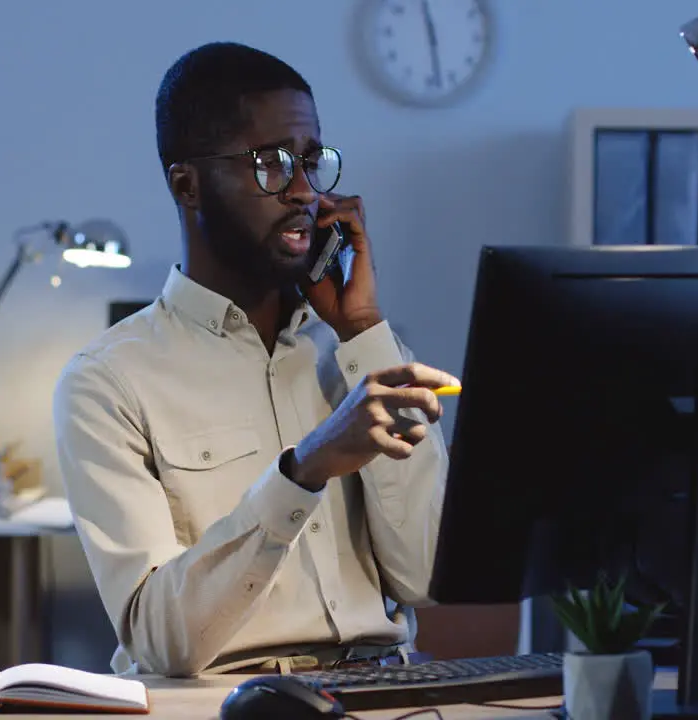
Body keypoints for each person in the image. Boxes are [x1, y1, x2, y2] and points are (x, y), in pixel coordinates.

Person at [52, 41, 457, 678]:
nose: (302, 192)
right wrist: (306, 469)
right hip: (224, 700)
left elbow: (429, 576)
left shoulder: (356, 353)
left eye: (309, 160)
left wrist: (363, 330)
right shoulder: (107, 380)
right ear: (186, 183)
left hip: (381, 686)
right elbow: (163, 642)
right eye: (269, 164)